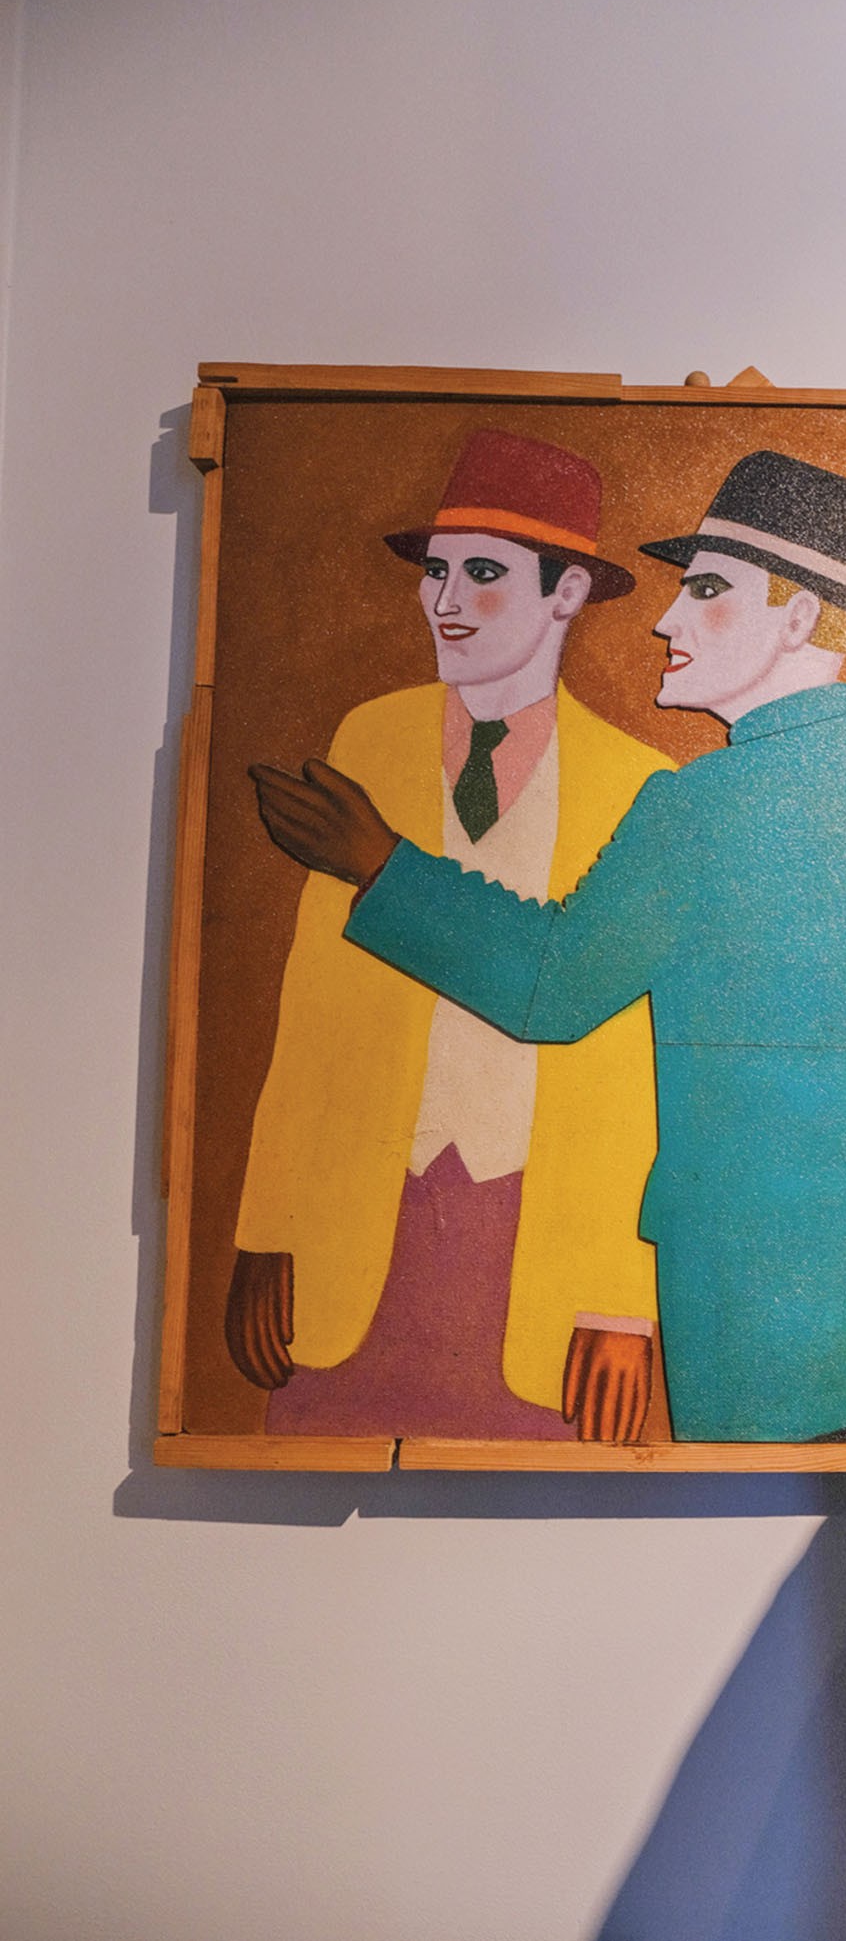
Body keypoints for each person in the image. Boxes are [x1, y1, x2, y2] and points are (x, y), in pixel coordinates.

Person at [251, 450, 846, 1443]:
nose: (665, 621)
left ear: (799, 618)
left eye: (705, 590)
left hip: (753, 1316)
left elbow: (553, 986)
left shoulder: (698, 806)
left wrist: (378, 863)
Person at [229, 428, 672, 1443]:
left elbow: (636, 1070)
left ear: (567, 593)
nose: (445, 601)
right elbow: (315, 1008)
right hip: (361, 1225)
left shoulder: (639, 787)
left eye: (483, 573)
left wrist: (619, 1298)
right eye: (435, 571)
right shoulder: (370, 740)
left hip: (535, 1240)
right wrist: (268, 1225)